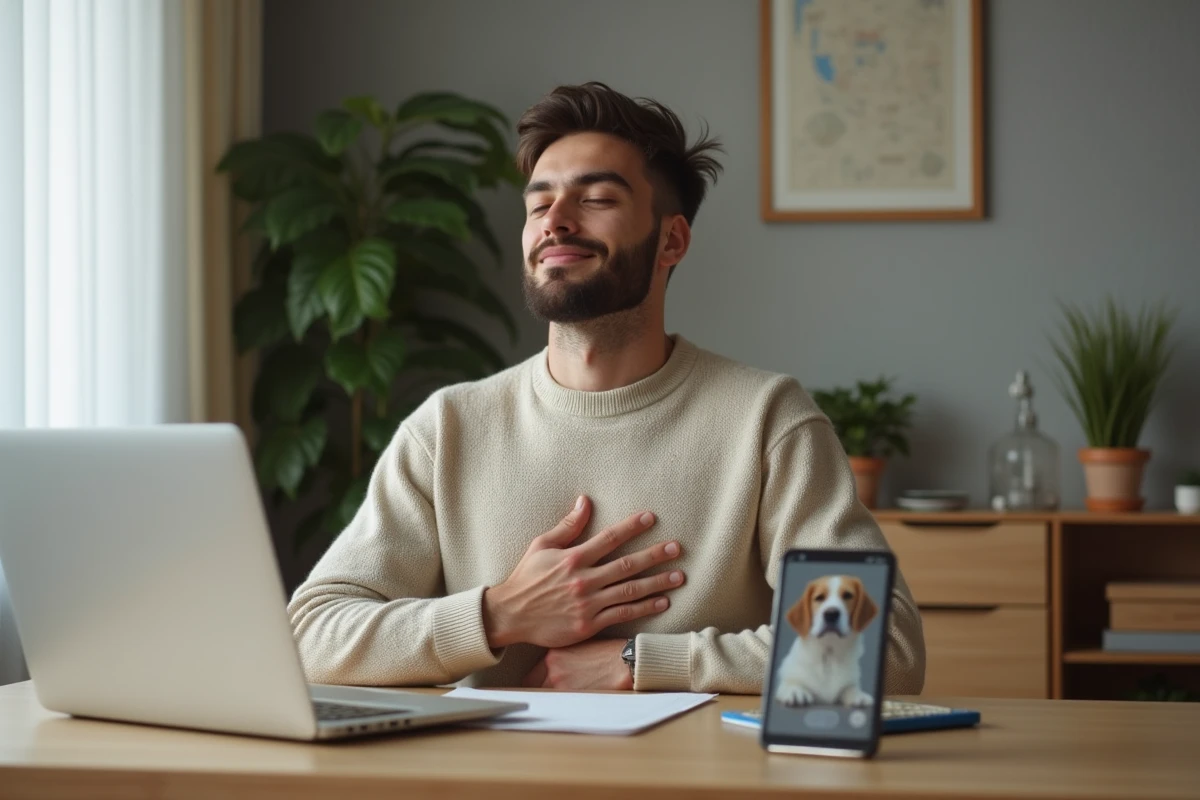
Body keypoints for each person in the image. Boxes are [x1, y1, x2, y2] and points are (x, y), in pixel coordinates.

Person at [287, 82, 925, 694]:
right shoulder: (448, 427)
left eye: (595, 198)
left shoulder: (766, 420)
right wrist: (501, 614)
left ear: (671, 239)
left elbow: (883, 649)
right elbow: (311, 634)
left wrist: (640, 661)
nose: (555, 222)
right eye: (539, 204)